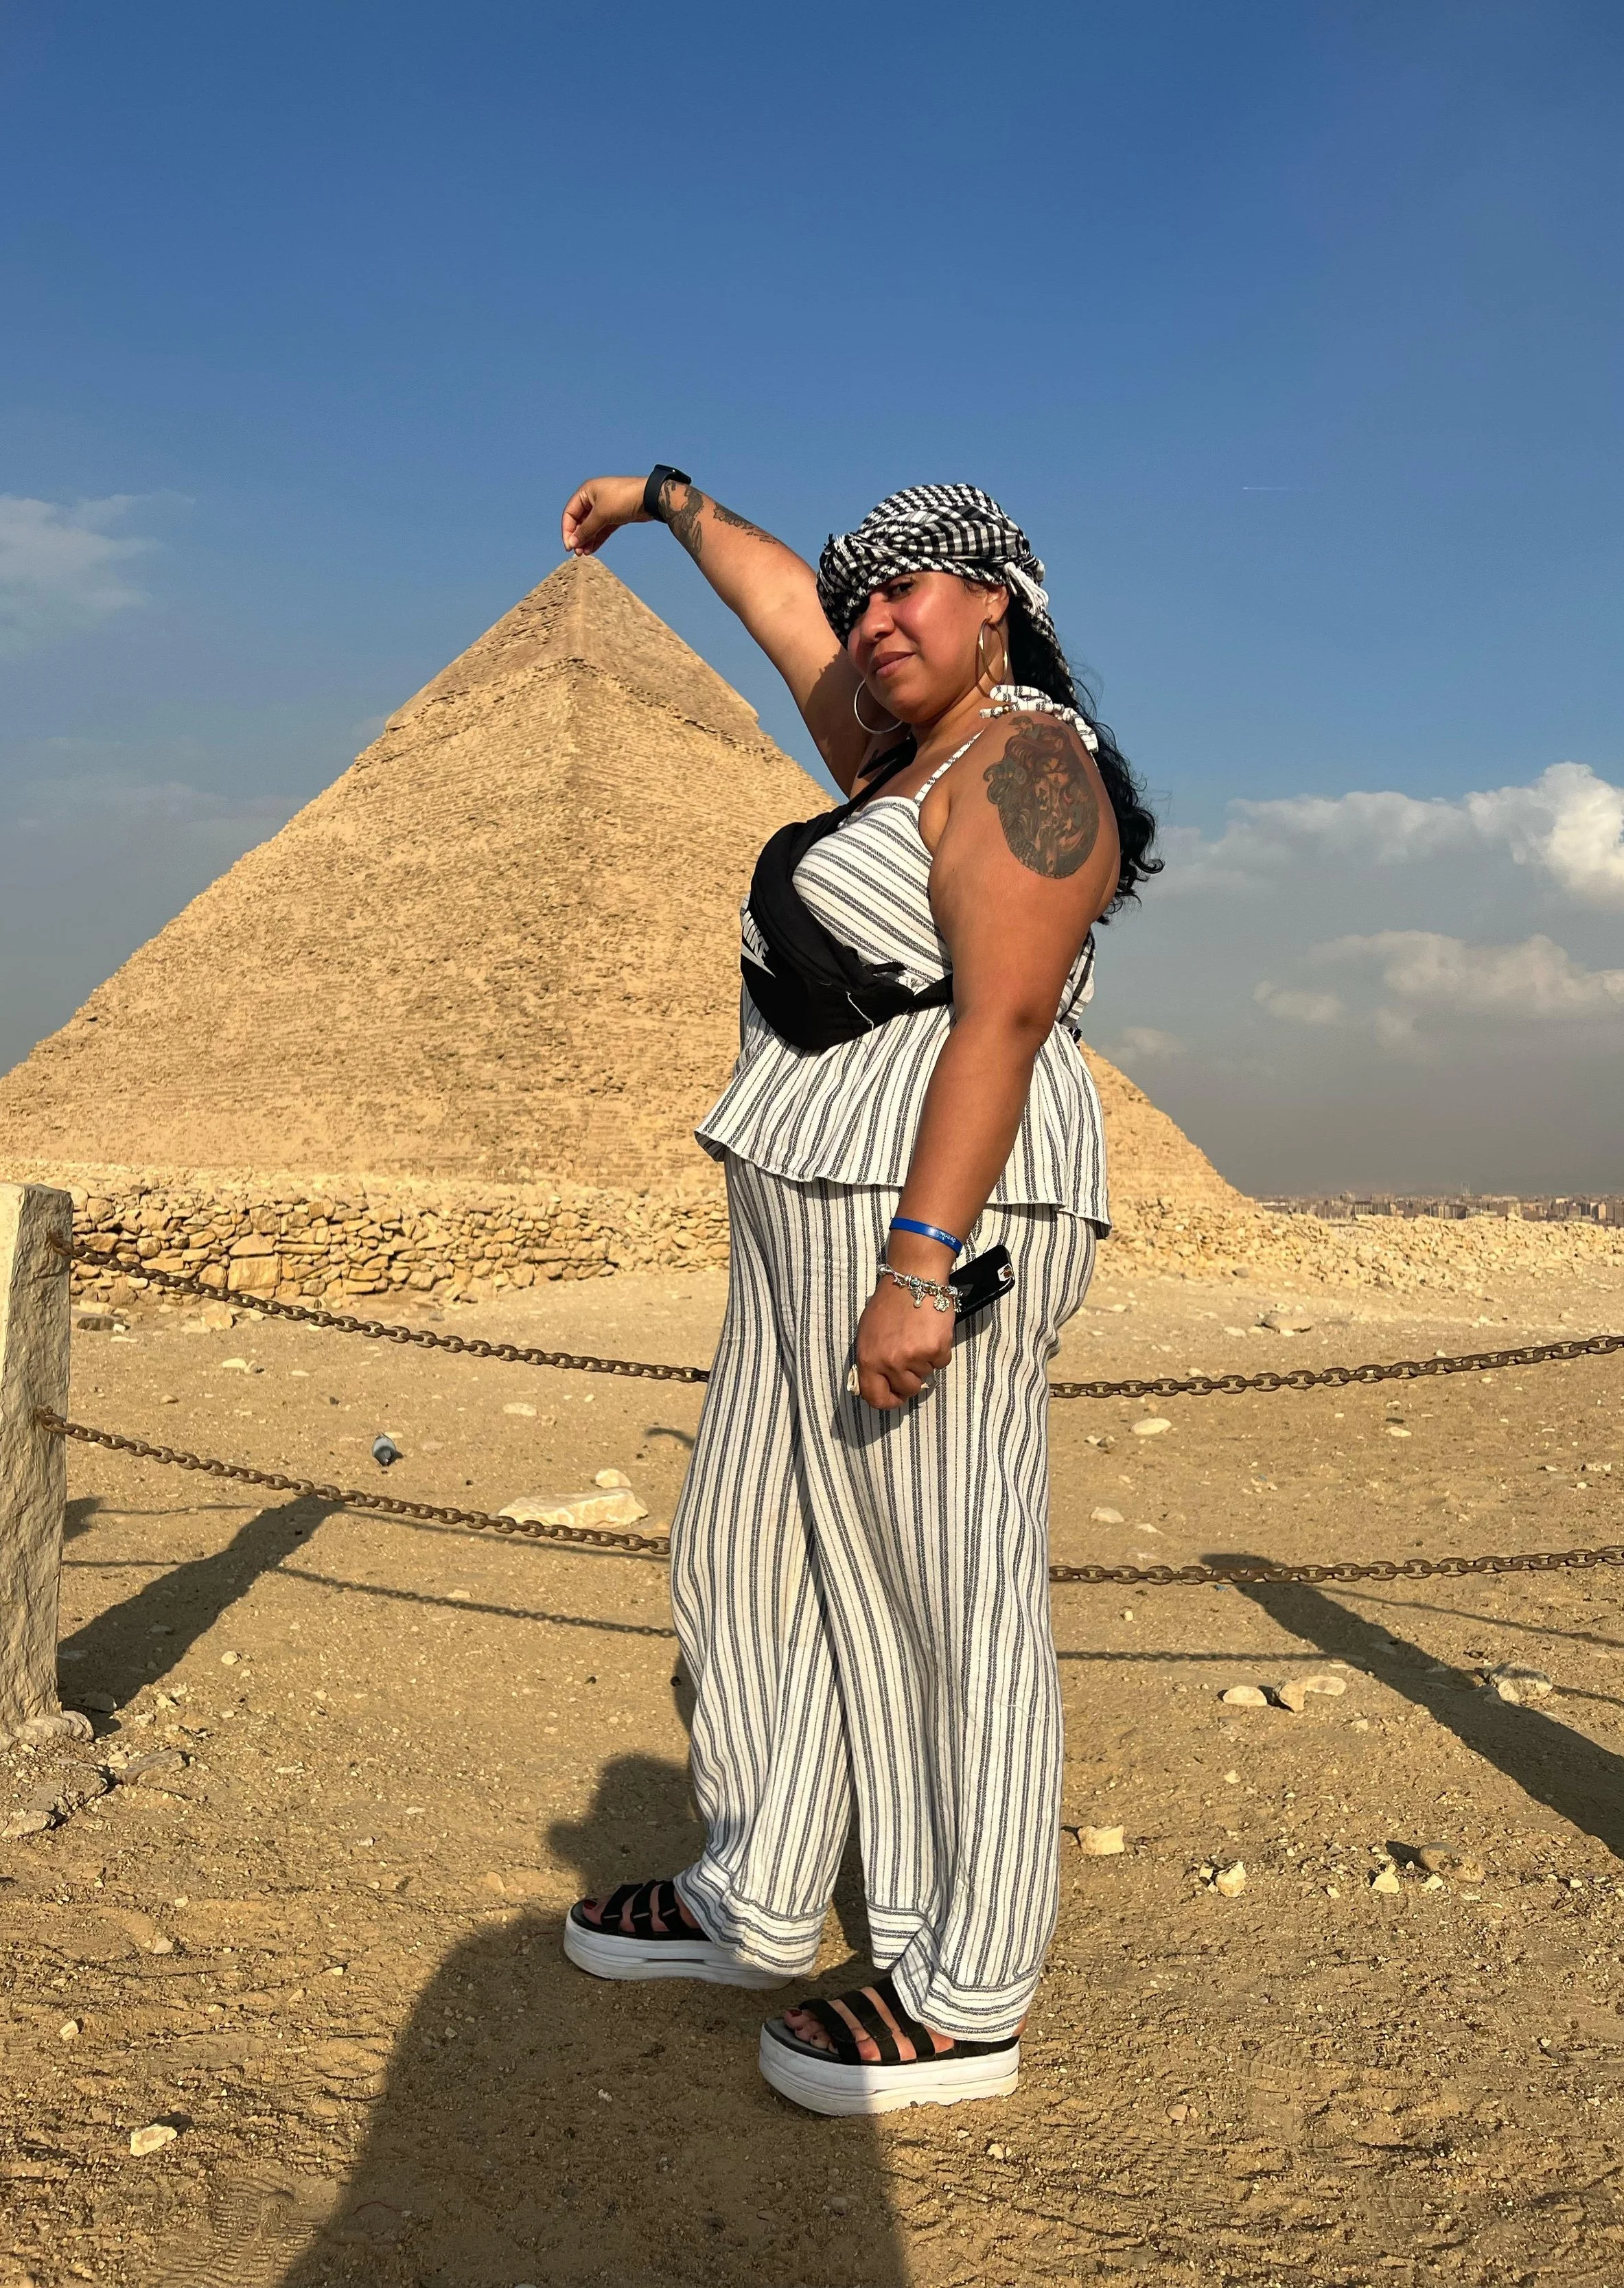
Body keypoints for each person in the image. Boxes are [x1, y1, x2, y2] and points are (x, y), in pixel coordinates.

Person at [556, 471, 1159, 2116]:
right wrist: (670, 502)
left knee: (940, 1589)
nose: (872, 618)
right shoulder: (904, 756)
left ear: (998, 602)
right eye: (861, 595)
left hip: (923, 1221)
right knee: (739, 1546)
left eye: (909, 590)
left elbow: (1004, 1023)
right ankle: (755, 1887)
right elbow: (776, 609)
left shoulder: (1030, 763)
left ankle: (964, 1985)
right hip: (796, 1211)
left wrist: (919, 1270)